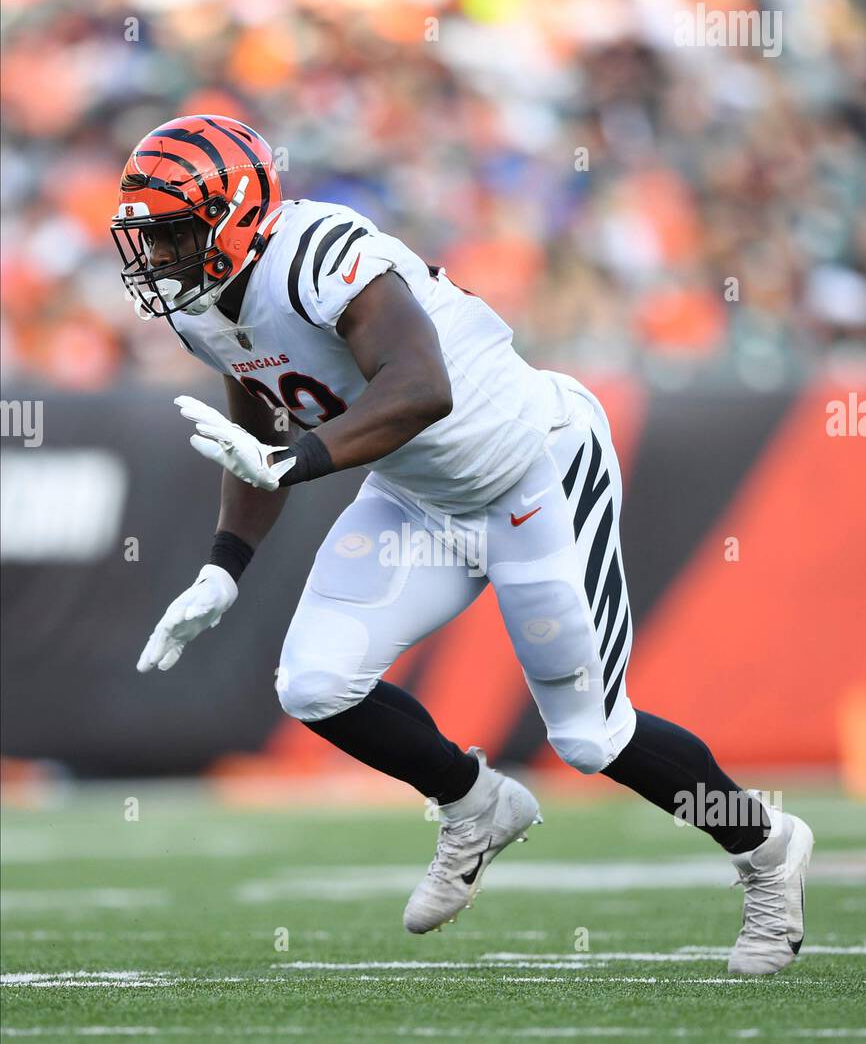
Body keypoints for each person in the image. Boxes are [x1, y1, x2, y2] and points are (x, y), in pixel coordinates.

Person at [115, 113, 812, 974]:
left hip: (533, 474)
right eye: (151, 237)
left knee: (591, 737)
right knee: (315, 683)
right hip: (419, 500)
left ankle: (767, 849)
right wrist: (226, 567)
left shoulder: (322, 253)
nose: (160, 258)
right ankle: (473, 802)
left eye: (177, 233)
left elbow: (421, 387)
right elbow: (256, 421)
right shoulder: (203, 310)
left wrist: (289, 463)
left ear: (238, 214)